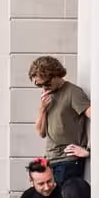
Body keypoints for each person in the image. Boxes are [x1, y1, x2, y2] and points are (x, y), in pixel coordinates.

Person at [29, 56, 91, 185]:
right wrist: (42, 109)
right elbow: (41, 133)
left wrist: (88, 150)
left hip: (68, 161)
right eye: (39, 85)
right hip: (51, 160)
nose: (44, 88)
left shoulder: (73, 92)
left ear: (57, 75)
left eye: (46, 83)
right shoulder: (48, 96)